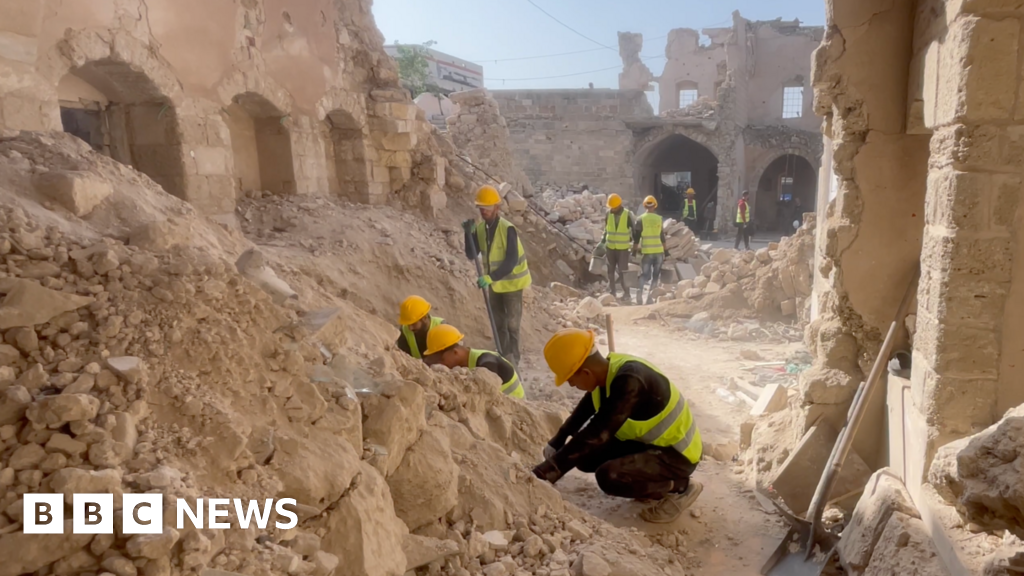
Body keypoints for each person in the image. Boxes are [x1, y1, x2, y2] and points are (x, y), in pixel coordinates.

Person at [532, 328, 703, 523]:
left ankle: (681, 486)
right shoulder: (608, 373)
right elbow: (585, 409)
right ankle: (646, 480)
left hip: (676, 454)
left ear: (586, 372)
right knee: (584, 458)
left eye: (571, 379)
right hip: (648, 444)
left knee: (609, 477)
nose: (571, 385)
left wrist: (545, 472)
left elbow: (597, 433)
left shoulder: (631, 382)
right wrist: (558, 440)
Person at [463, 185, 532, 368]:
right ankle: (503, 355)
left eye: (487, 207)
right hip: (494, 285)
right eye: (481, 207)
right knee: (499, 322)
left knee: (512, 325)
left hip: (512, 284)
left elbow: (511, 260)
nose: (483, 210)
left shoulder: (507, 229)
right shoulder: (480, 229)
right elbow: (471, 253)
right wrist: (467, 234)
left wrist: (491, 277)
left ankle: (514, 359)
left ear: (497, 208)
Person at [423, 324, 524, 398]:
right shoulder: (465, 363)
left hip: (516, 413)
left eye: (442, 359)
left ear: (455, 352)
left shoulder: (487, 363)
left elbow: (483, 398)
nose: (441, 364)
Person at [633, 196, 667, 306]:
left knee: (644, 274)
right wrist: (666, 251)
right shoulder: (659, 219)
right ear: (655, 205)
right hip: (658, 251)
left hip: (647, 251)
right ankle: (649, 298)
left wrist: (634, 250)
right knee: (655, 275)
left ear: (644, 205)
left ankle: (639, 294)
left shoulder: (640, 219)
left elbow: (636, 237)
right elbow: (662, 237)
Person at [600, 193, 634, 300]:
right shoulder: (608, 214)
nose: (612, 209)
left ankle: (627, 293)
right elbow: (606, 229)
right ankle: (612, 292)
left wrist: (635, 244)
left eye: (613, 207)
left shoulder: (628, 215)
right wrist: (602, 242)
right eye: (611, 207)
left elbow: (634, 230)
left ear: (619, 205)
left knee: (623, 271)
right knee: (610, 270)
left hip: (623, 248)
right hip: (610, 247)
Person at [396, 295, 444, 360]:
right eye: (408, 324)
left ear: (424, 318)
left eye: (413, 324)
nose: (410, 328)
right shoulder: (404, 331)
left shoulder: (442, 327)